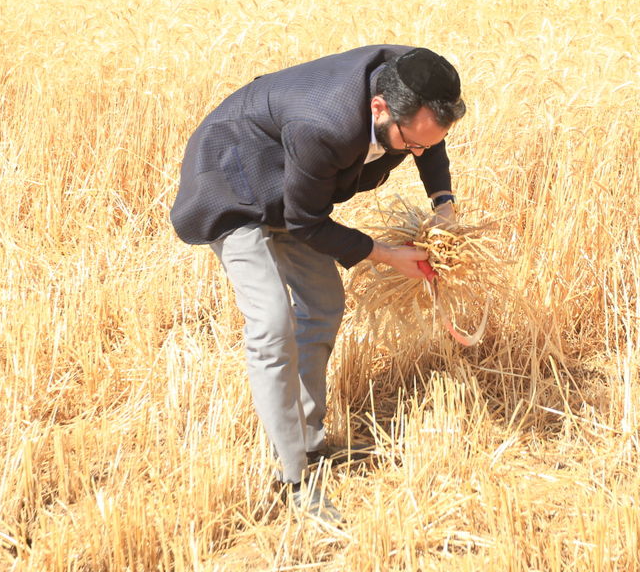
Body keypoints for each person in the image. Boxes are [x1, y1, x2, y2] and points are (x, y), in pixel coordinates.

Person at [170, 45, 465, 522]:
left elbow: (430, 141)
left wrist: (444, 204)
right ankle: (293, 477)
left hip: (291, 181)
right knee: (271, 325)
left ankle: (309, 442)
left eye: (426, 144)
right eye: (411, 144)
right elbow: (306, 222)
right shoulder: (325, 123)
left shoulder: (416, 83)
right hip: (232, 179)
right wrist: (389, 257)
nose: (419, 152)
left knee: (324, 305)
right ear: (379, 107)